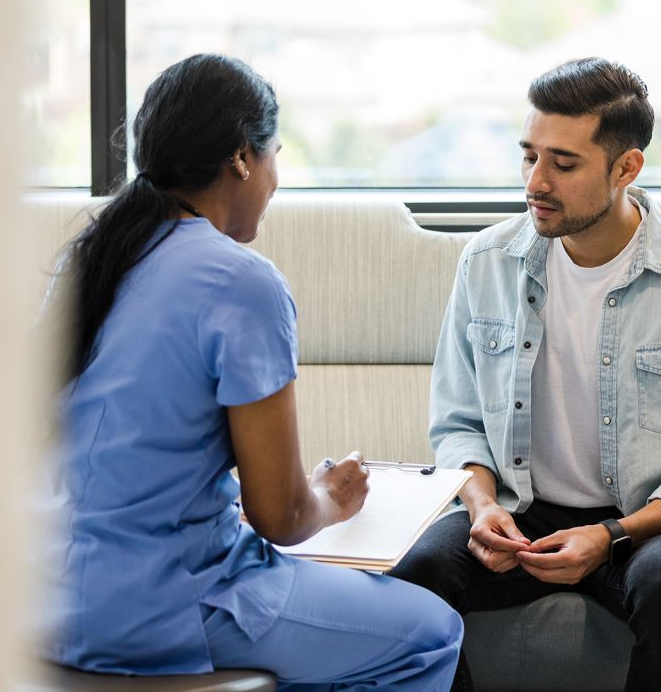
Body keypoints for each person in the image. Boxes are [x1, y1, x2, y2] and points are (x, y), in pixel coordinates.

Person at [41, 54, 461, 690]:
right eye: (275, 156)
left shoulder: (92, 259)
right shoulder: (242, 282)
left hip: (42, 594)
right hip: (162, 606)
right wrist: (331, 498)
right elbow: (283, 518)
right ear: (242, 157)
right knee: (429, 635)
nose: (273, 180)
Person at [390, 57, 661, 691]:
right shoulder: (486, 264)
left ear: (626, 168)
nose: (536, 181)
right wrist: (481, 509)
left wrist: (610, 534)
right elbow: (457, 423)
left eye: (563, 165)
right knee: (417, 570)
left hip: (644, 522)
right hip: (520, 513)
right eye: (529, 156)